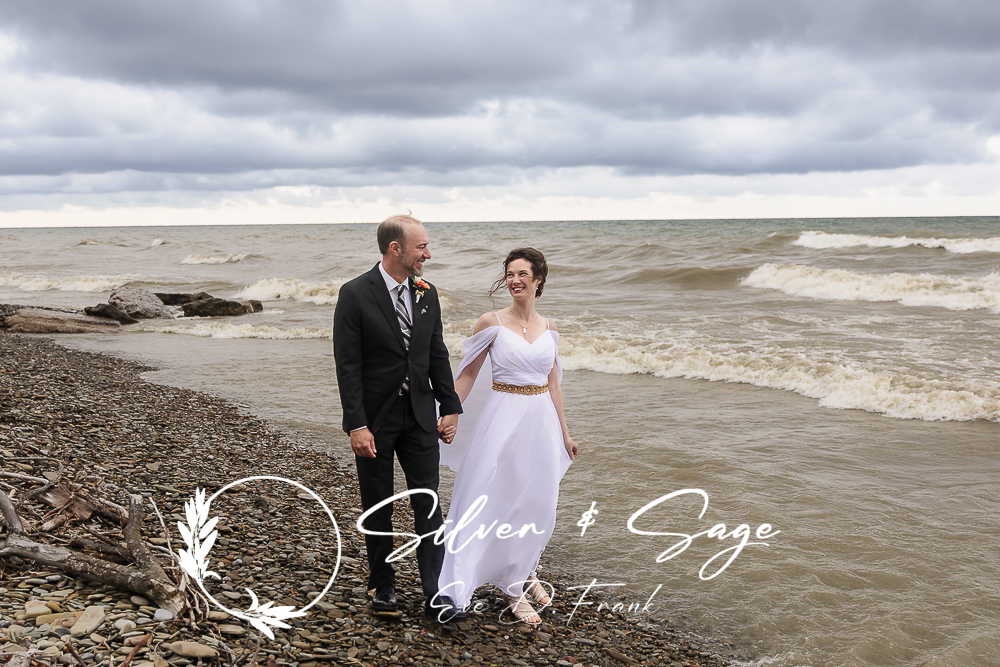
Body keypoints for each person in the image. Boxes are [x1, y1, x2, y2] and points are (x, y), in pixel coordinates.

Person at [333, 214, 466, 623]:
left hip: (420, 416)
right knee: (378, 504)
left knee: (428, 503)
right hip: (375, 420)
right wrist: (356, 424)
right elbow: (348, 364)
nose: (428, 253)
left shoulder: (427, 292)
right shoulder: (355, 294)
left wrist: (451, 407)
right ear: (396, 249)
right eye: (421, 246)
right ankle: (383, 583)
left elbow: (435, 352)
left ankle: (436, 591)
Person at [437, 247, 578, 625]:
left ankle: (526, 569)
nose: (515, 280)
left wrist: (564, 431)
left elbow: (553, 383)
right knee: (496, 497)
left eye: (523, 274)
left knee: (538, 503)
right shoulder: (491, 322)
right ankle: (512, 590)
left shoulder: (550, 328)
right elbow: (467, 374)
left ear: (538, 280)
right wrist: (449, 411)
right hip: (503, 416)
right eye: (510, 274)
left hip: (541, 421)